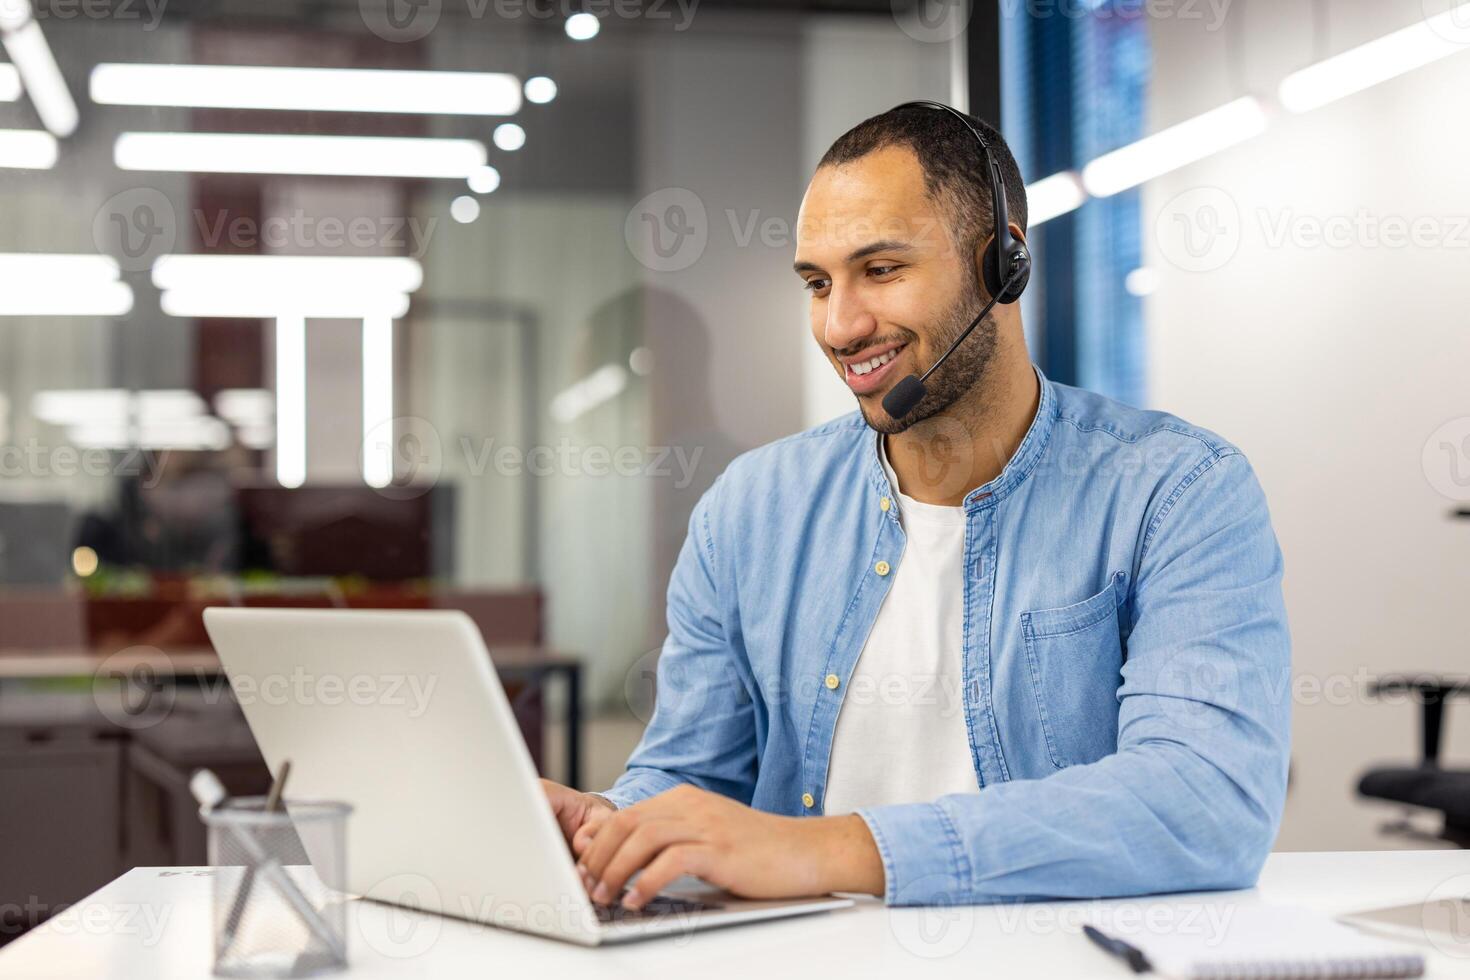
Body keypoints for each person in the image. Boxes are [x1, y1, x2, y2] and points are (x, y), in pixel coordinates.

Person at [541, 103, 1291, 911]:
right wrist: (612, 823)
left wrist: (826, 851)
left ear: (1003, 263)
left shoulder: (1176, 491)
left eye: (882, 270)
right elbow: (693, 774)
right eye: (818, 283)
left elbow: (1205, 803)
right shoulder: (750, 513)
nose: (840, 325)